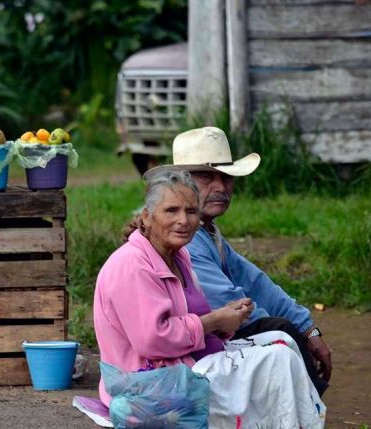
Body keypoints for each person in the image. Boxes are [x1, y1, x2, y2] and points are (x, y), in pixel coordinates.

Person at [93, 169, 325, 428]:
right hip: (150, 383)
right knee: (278, 360)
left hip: (186, 364)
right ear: (147, 217)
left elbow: (251, 284)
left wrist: (228, 320)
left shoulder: (179, 257)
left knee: (281, 342)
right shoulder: (133, 264)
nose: (183, 220)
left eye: (191, 212)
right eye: (171, 211)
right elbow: (153, 339)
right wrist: (213, 321)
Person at [145, 126, 332, 396]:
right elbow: (227, 304)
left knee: (284, 329)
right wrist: (290, 339)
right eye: (207, 177)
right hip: (178, 350)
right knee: (280, 332)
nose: (220, 187)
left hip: (201, 335)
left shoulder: (206, 230)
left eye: (226, 177)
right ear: (181, 183)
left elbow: (255, 282)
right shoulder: (182, 235)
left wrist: (307, 329)